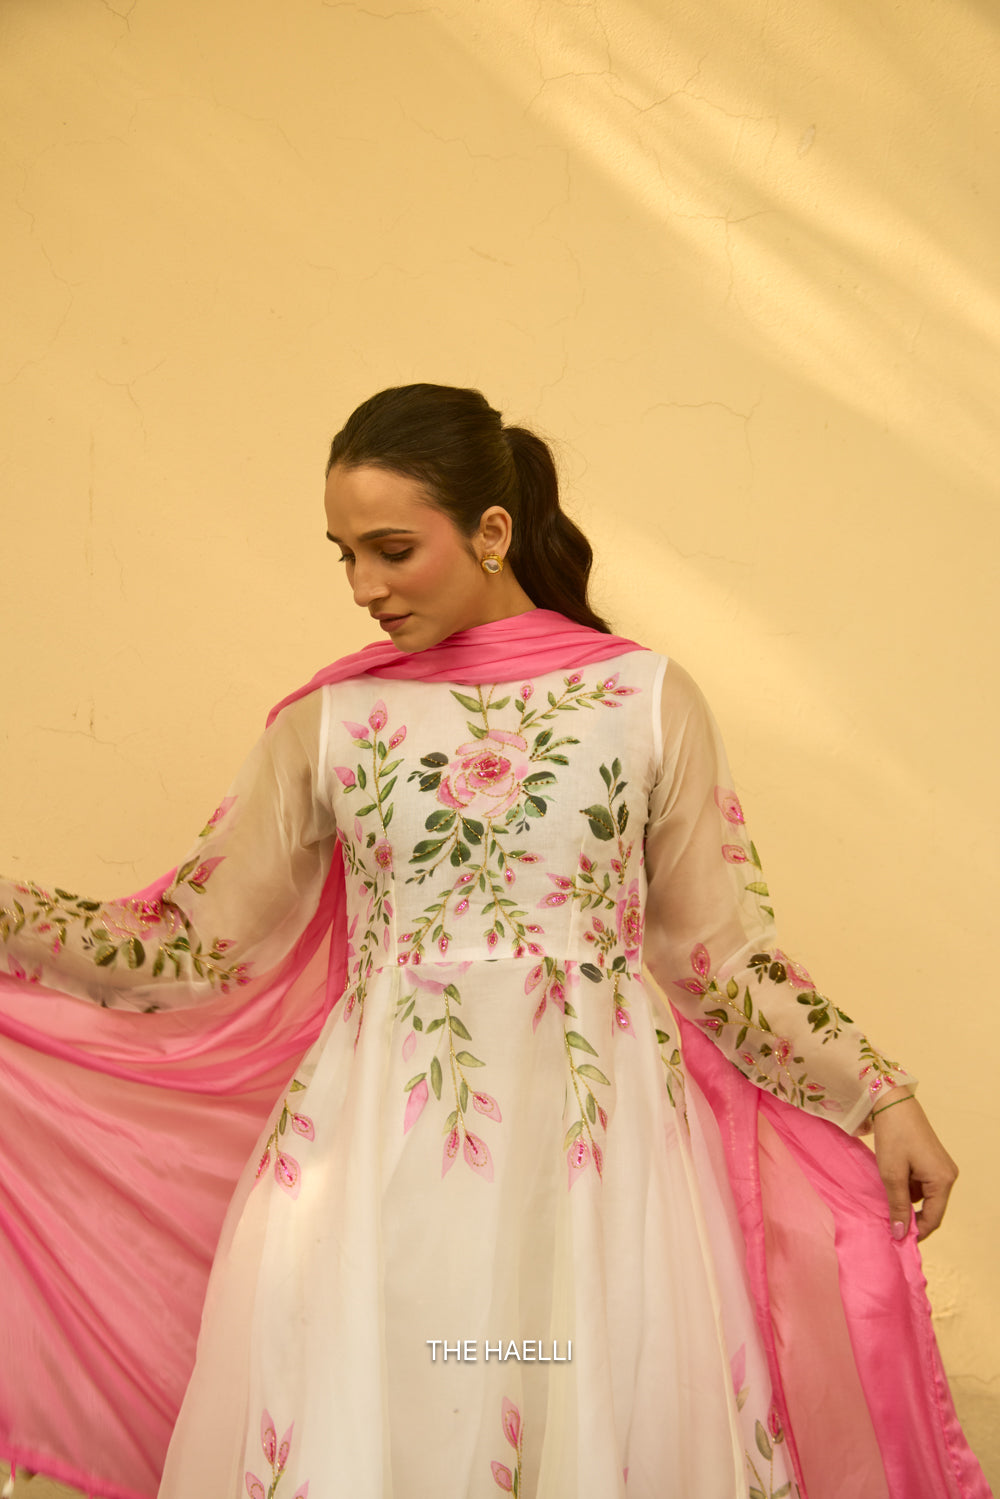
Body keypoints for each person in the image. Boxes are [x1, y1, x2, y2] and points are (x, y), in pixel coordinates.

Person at [0, 384, 987, 1499]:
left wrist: (879, 1092)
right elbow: (193, 946)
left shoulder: (643, 701)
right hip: (374, 1151)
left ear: (492, 530)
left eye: (391, 550)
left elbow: (718, 958)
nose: (364, 587)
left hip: (596, 1149)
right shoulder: (331, 724)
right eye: (344, 556)